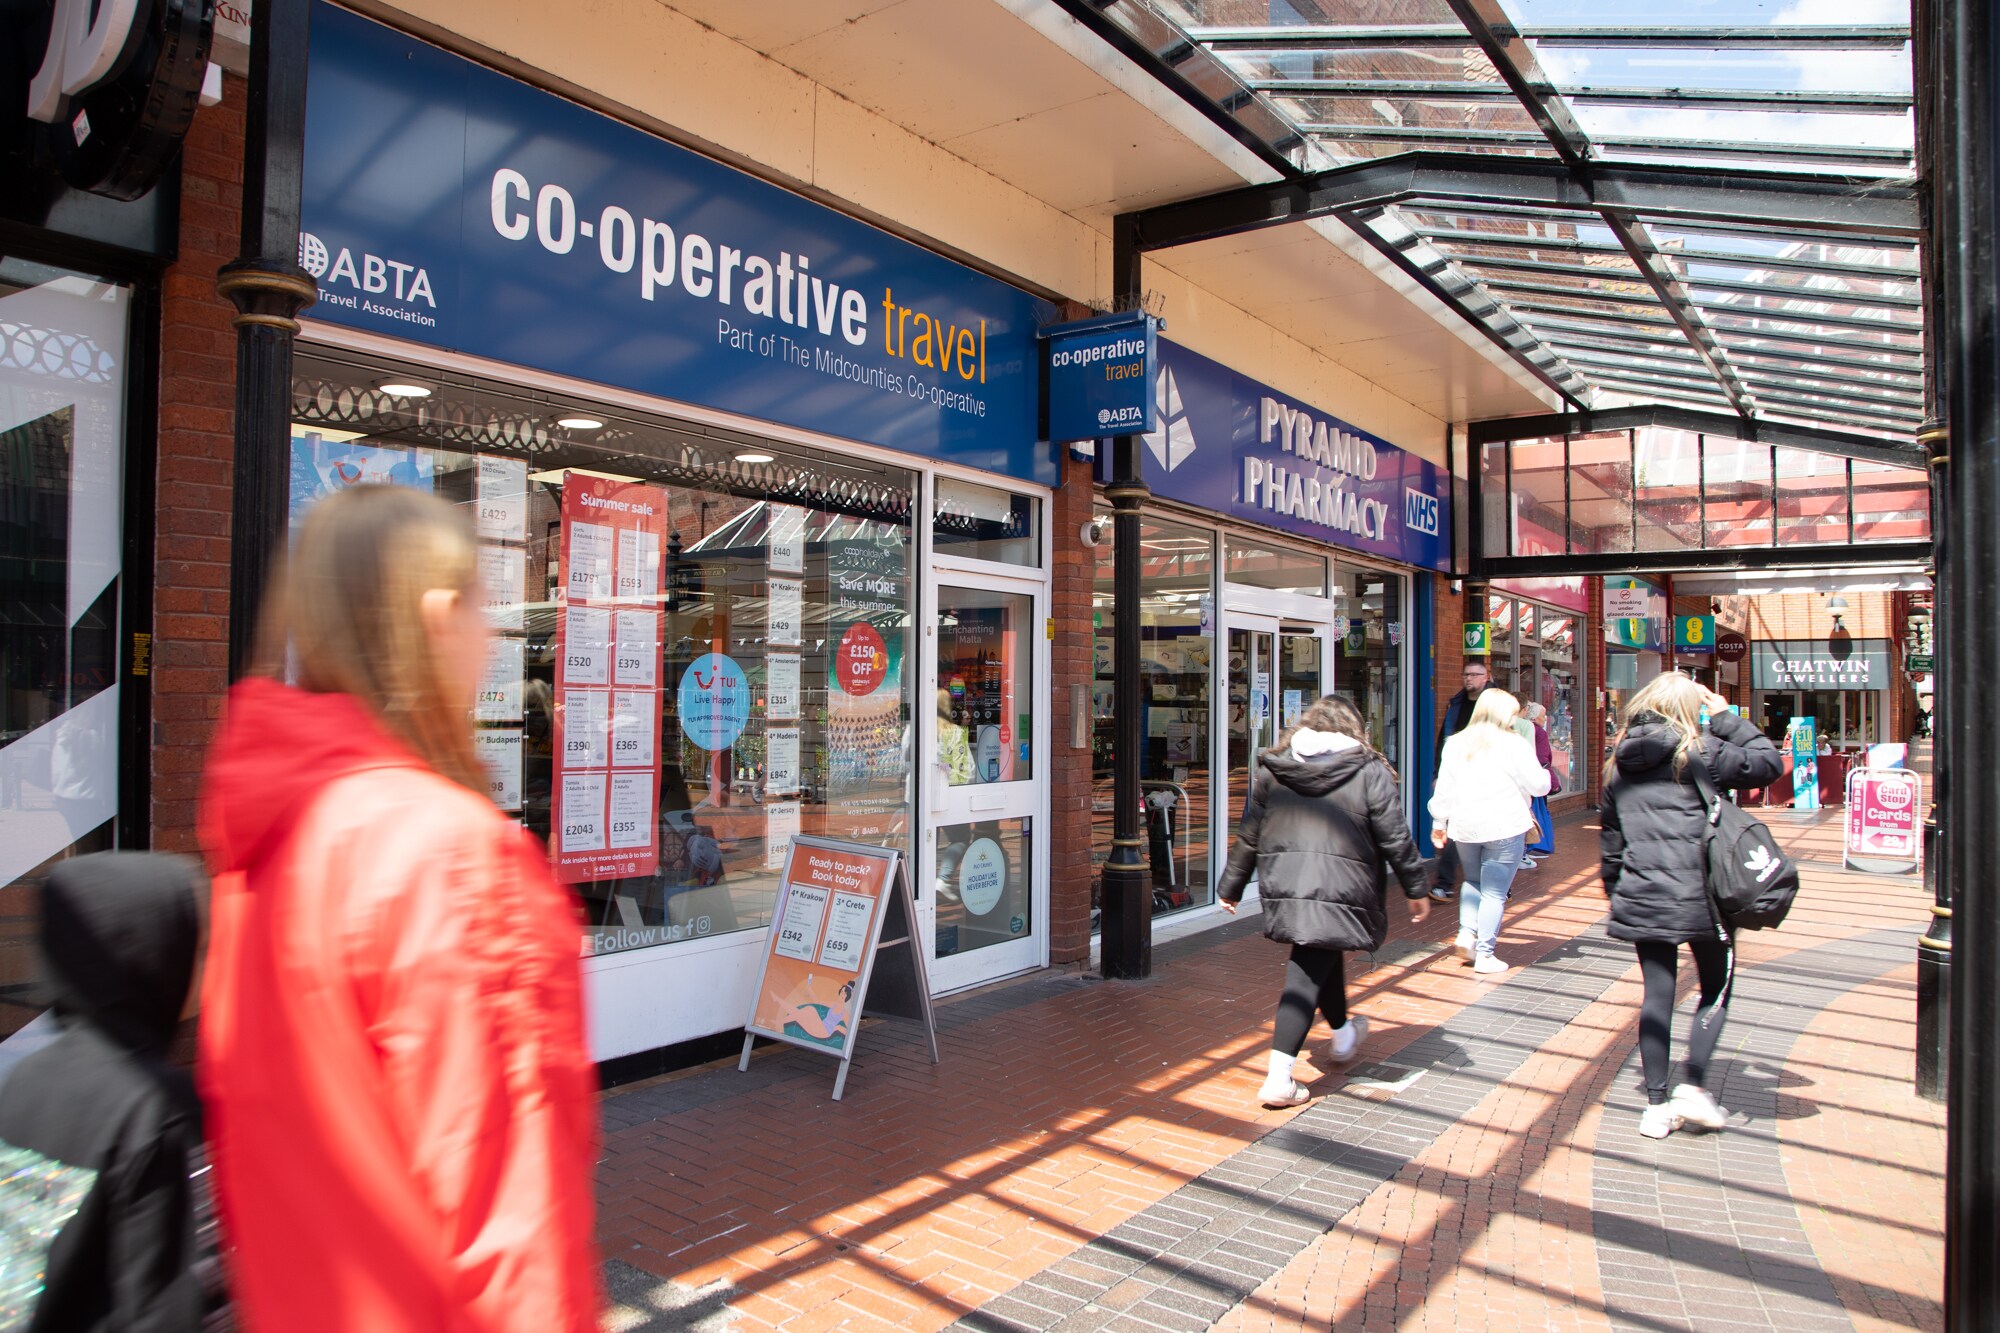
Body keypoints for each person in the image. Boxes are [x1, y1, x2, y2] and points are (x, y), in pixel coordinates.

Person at [198, 485, 600, 1332]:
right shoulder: (454, 854)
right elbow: (513, 1224)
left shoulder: (263, 850)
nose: (493, 639)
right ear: (434, 615)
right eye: (482, 607)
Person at [0, 853, 205, 1332]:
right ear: (156, 952)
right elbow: (166, 1306)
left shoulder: (22, 1080)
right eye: (195, 946)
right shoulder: (158, 1107)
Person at [1216, 695, 1431, 1108]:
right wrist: (1416, 887)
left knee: (1320, 953)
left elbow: (1250, 834)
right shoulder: (1368, 770)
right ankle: (1279, 1076)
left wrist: (1231, 886)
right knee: (1306, 970)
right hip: (1342, 886)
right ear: (1353, 728)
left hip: (1290, 884)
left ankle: (1343, 1033)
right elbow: (1394, 835)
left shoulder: (1276, 767)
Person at [1601, 673, 1782, 1139]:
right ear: (1688, 708)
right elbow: (1769, 763)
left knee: (1656, 996)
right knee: (1715, 988)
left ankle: (1656, 1104)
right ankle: (1694, 1087)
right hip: (1704, 895)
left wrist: (1618, 891)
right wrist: (1725, 716)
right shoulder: (1703, 750)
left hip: (1644, 892)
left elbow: (1612, 842)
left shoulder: (1617, 763)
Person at [1427, 689, 1550, 976]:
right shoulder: (1513, 744)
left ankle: (1466, 934)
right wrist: (1546, 774)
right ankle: (1485, 953)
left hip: (1465, 826)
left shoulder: (1456, 743)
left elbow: (1444, 788)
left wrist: (1438, 823)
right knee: (1494, 892)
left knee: (1472, 881)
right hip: (1505, 824)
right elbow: (1538, 786)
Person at [1428, 659, 1490, 900]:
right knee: (1454, 830)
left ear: (1486, 677)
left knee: (1488, 834)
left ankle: (1498, 884)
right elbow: (1443, 740)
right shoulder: (1456, 703)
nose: (1469, 679)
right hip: (1459, 775)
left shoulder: (1494, 705)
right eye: (1466, 674)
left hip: (1486, 778)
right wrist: (1437, 773)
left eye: (1475, 674)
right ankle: (1445, 883)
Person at [1516, 700, 1557, 870]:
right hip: (1532, 779)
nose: (1545, 718)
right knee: (1534, 813)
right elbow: (1539, 755)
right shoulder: (1533, 730)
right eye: (1542, 715)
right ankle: (1530, 848)